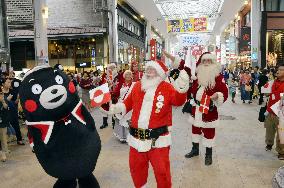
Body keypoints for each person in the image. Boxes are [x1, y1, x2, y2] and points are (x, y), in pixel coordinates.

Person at [110, 60, 189, 188]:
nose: (149, 72)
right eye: (148, 69)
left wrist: (182, 87)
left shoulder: (167, 87)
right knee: (136, 170)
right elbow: (127, 103)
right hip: (136, 139)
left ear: (160, 73)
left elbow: (179, 101)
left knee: (162, 172)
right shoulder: (137, 86)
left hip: (158, 140)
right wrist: (116, 108)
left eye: (153, 70)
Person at [165, 52, 228, 166]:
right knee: (195, 130)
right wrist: (171, 57)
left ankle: (208, 154)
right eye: (204, 61)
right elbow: (182, 66)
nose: (207, 63)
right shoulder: (196, 73)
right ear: (201, 62)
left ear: (213, 62)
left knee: (209, 131)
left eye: (209, 61)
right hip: (196, 108)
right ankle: (195, 150)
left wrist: (216, 95)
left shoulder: (218, 76)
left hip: (209, 109)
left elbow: (224, 92)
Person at [264, 63, 284, 160]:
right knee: (269, 130)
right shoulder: (273, 82)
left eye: (281, 70)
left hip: (281, 113)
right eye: (278, 69)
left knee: (281, 133)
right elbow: (266, 93)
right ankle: (269, 143)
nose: (278, 71)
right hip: (270, 111)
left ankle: (281, 151)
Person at [112, 70, 135, 143]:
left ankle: (131, 136)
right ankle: (123, 136)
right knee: (121, 120)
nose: (128, 76)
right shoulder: (121, 84)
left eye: (130, 74)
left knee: (129, 120)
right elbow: (115, 93)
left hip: (131, 105)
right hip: (121, 104)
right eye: (127, 74)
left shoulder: (134, 84)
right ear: (124, 76)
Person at [2, 78, 25, 145]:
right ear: (3, 84)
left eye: (10, 82)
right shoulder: (1, 93)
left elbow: (15, 102)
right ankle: (5, 142)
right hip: (4, 112)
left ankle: (19, 139)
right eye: (8, 82)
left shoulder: (13, 91)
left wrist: (18, 98)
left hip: (13, 111)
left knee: (16, 124)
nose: (10, 84)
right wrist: (7, 100)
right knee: (5, 127)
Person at [0, 87, 9, 162]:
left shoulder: (3, 99)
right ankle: (2, 153)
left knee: (3, 138)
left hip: (2, 122)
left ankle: (4, 153)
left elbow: (6, 107)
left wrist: (2, 100)